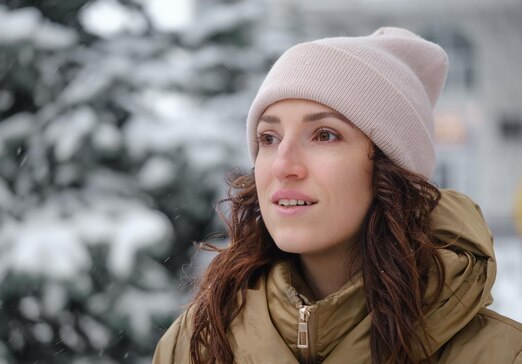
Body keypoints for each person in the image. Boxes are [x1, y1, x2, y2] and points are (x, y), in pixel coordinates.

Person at [153, 27, 522, 363]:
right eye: (269, 138)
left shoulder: (501, 353)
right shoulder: (196, 342)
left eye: (324, 135)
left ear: (390, 171)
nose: (283, 165)